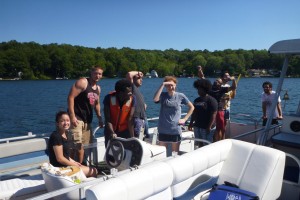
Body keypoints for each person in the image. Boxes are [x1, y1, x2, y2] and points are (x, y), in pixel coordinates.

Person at [67, 66, 104, 164]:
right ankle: (71, 167)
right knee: (75, 146)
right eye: (95, 73)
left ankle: (80, 166)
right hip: (77, 119)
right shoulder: (83, 82)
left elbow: (97, 104)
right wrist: (72, 116)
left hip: (87, 121)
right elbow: (70, 97)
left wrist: (100, 118)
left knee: (85, 146)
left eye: (100, 74)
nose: (97, 75)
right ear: (91, 73)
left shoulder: (98, 89)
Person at [48, 111, 97, 177]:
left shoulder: (66, 134)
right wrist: (74, 165)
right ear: (57, 123)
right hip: (59, 169)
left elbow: (66, 156)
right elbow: (60, 158)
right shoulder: (56, 136)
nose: (66, 123)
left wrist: (75, 162)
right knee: (94, 171)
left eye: (68, 120)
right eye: (62, 121)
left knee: (90, 169)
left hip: (65, 166)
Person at [153, 76, 194, 154]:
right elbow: (155, 99)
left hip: (175, 129)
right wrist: (162, 84)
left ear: (175, 85)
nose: (170, 87)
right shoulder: (163, 95)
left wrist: (184, 119)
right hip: (163, 129)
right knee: (162, 153)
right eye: (168, 85)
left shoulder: (180, 96)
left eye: (172, 85)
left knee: (175, 153)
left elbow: (192, 107)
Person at [103, 79, 136, 147]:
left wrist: (133, 137)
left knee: (127, 152)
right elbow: (108, 120)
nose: (131, 94)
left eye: (131, 92)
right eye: (128, 93)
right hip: (110, 130)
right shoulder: (108, 98)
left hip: (125, 131)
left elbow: (130, 118)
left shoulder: (132, 99)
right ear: (121, 93)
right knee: (111, 153)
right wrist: (112, 133)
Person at [188, 79, 218, 147]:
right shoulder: (197, 100)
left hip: (207, 127)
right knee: (198, 143)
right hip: (198, 125)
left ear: (205, 89)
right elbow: (194, 112)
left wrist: (209, 127)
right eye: (197, 89)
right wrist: (191, 123)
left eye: (200, 89)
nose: (198, 91)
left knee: (207, 144)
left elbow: (214, 114)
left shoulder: (212, 100)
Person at [126, 71, 148, 139]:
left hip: (143, 118)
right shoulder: (132, 87)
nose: (141, 79)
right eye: (139, 78)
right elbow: (129, 74)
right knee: (138, 140)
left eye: (142, 78)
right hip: (137, 119)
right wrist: (138, 72)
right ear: (133, 79)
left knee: (144, 139)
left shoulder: (137, 91)